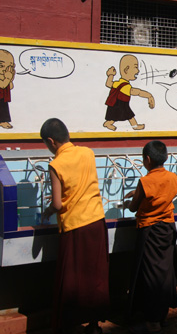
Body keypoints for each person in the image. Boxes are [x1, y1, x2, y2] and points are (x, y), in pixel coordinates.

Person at [40, 118, 109, 334]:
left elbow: (59, 204)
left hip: (74, 226)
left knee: (72, 280)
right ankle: (95, 324)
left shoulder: (56, 164)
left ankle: (68, 323)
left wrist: (48, 211)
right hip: (96, 220)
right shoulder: (87, 152)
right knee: (95, 276)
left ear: (51, 141)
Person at [124, 141, 177, 333]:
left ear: (147, 159)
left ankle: (153, 321)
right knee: (164, 272)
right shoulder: (173, 178)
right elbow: (160, 195)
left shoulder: (145, 181)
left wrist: (131, 200)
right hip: (167, 228)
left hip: (149, 230)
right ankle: (162, 315)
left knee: (149, 276)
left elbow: (134, 206)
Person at [104, 54, 155, 131]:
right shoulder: (126, 86)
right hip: (120, 105)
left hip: (115, 105)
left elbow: (108, 83)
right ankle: (134, 126)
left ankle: (108, 123)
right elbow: (138, 92)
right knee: (129, 116)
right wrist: (149, 96)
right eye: (135, 67)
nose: (138, 70)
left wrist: (111, 75)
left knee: (119, 116)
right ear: (126, 70)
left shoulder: (117, 83)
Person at [0, 49, 15, 129]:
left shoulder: (5, 76)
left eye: (9, 67)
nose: (4, 70)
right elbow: (2, 85)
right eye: (1, 66)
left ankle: (3, 121)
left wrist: (11, 78)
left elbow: (11, 86)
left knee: (4, 108)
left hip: (3, 98)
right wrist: (8, 78)